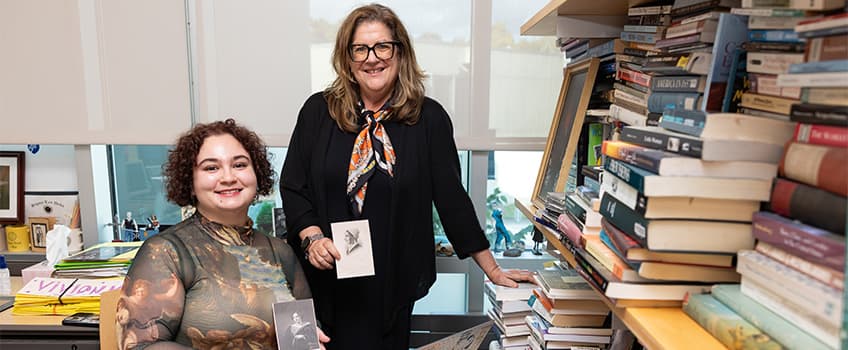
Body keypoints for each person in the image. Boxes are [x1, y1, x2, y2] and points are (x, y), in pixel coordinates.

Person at [280, 4, 533, 349]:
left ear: (400, 52)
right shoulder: (317, 112)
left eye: (383, 46)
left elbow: (452, 199)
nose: (372, 58)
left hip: (391, 284)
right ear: (347, 58)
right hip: (325, 280)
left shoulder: (429, 119)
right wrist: (311, 239)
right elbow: (294, 186)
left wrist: (493, 269)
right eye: (360, 49)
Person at [116, 119, 329, 349]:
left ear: (257, 173)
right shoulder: (167, 252)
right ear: (190, 181)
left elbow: (303, 336)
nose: (228, 177)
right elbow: (141, 346)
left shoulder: (279, 252)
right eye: (211, 168)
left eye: (239, 165)